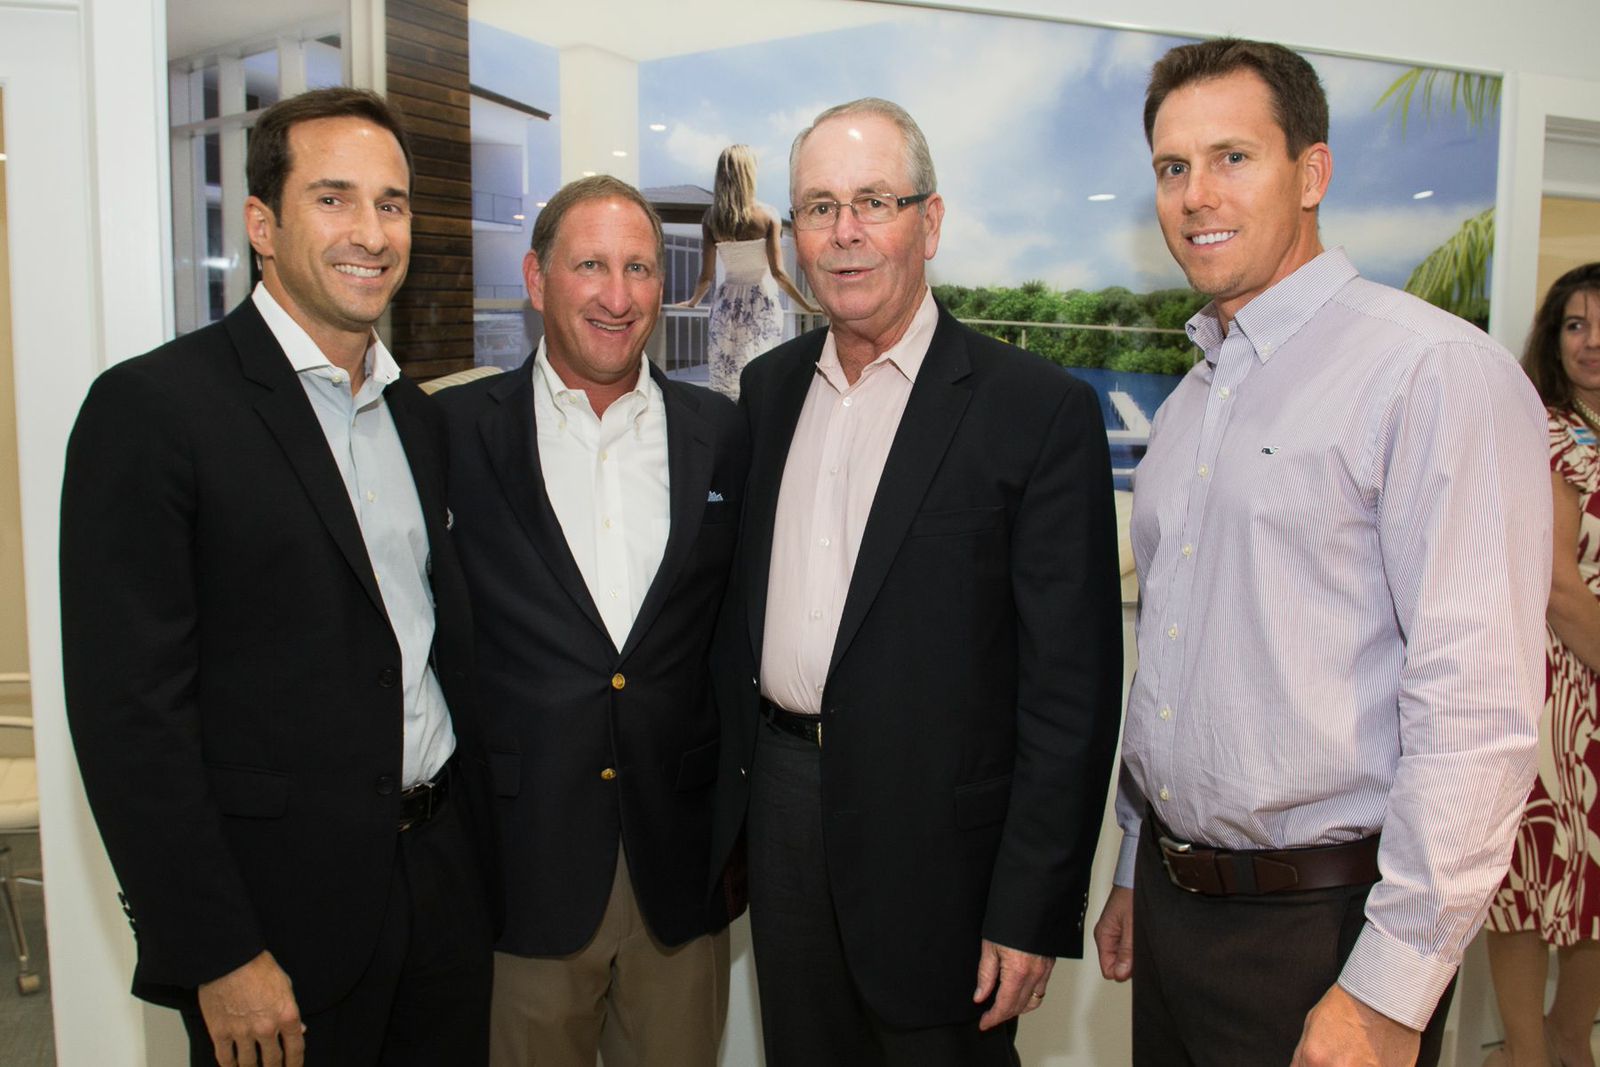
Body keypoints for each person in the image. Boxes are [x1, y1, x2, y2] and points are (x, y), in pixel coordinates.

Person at [1091, 38, 1551, 1067]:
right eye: (1171, 168)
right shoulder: (1196, 397)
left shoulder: (1429, 372)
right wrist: (1133, 861)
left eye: (1231, 157)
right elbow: (1174, 660)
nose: (1194, 194)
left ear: (1312, 172)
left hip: (1326, 931)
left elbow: (1475, 711)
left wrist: (1389, 989)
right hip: (1175, 911)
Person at [60, 88, 493, 1067]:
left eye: (391, 203)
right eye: (334, 198)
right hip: (275, 925)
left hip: (440, 887)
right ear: (262, 223)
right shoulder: (154, 411)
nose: (372, 232)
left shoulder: (417, 418)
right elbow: (131, 716)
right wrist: (217, 948)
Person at [706, 97, 1124, 1066]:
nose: (845, 233)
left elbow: (1070, 693)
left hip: (945, 854)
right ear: (793, 234)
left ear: (927, 222)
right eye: (818, 206)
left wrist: (1032, 905)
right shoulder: (765, 392)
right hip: (783, 809)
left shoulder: (1035, 411)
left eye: (873, 201)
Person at [434, 175, 750, 1067]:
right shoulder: (451, 432)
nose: (618, 296)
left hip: (678, 871)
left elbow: (734, 639)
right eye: (591, 266)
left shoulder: (722, 434)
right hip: (520, 869)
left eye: (641, 267)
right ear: (537, 280)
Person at [1485, 262, 1600, 1067]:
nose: (1593, 343)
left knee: (1596, 885)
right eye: (1576, 325)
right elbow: (1559, 586)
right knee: (1530, 877)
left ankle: (1569, 1039)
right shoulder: (1547, 433)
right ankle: (1525, 1054)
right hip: (1555, 689)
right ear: (1553, 339)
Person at [675, 143, 818, 400]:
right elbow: (779, 274)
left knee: (725, 377)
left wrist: (693, 301)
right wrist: (807, 305)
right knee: (760, 373)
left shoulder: (713, 218)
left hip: (727, 305)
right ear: (749, 174)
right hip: (760, 303)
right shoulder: (767, 216)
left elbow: (706, 276)